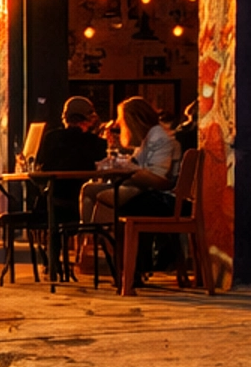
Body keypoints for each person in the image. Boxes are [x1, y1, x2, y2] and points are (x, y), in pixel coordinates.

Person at [79, 96, 178, 272]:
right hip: (149, 192)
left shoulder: (158, 138)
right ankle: (94, 242)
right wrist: (122, 163)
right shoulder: (150, 137)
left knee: (105, 197)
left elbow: (159, 180)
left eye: (122, 120)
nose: (119, 124)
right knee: (90, 189)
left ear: (133, 120)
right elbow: (139, 164)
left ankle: (109, 255)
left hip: (162, 199)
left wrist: (127, 168)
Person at [35, 96, 106, 222]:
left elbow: (40, 168)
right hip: (84, 200)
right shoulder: (96, 143)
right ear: (89, 118)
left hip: (54, 200)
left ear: (64, 117)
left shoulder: (51, 138)